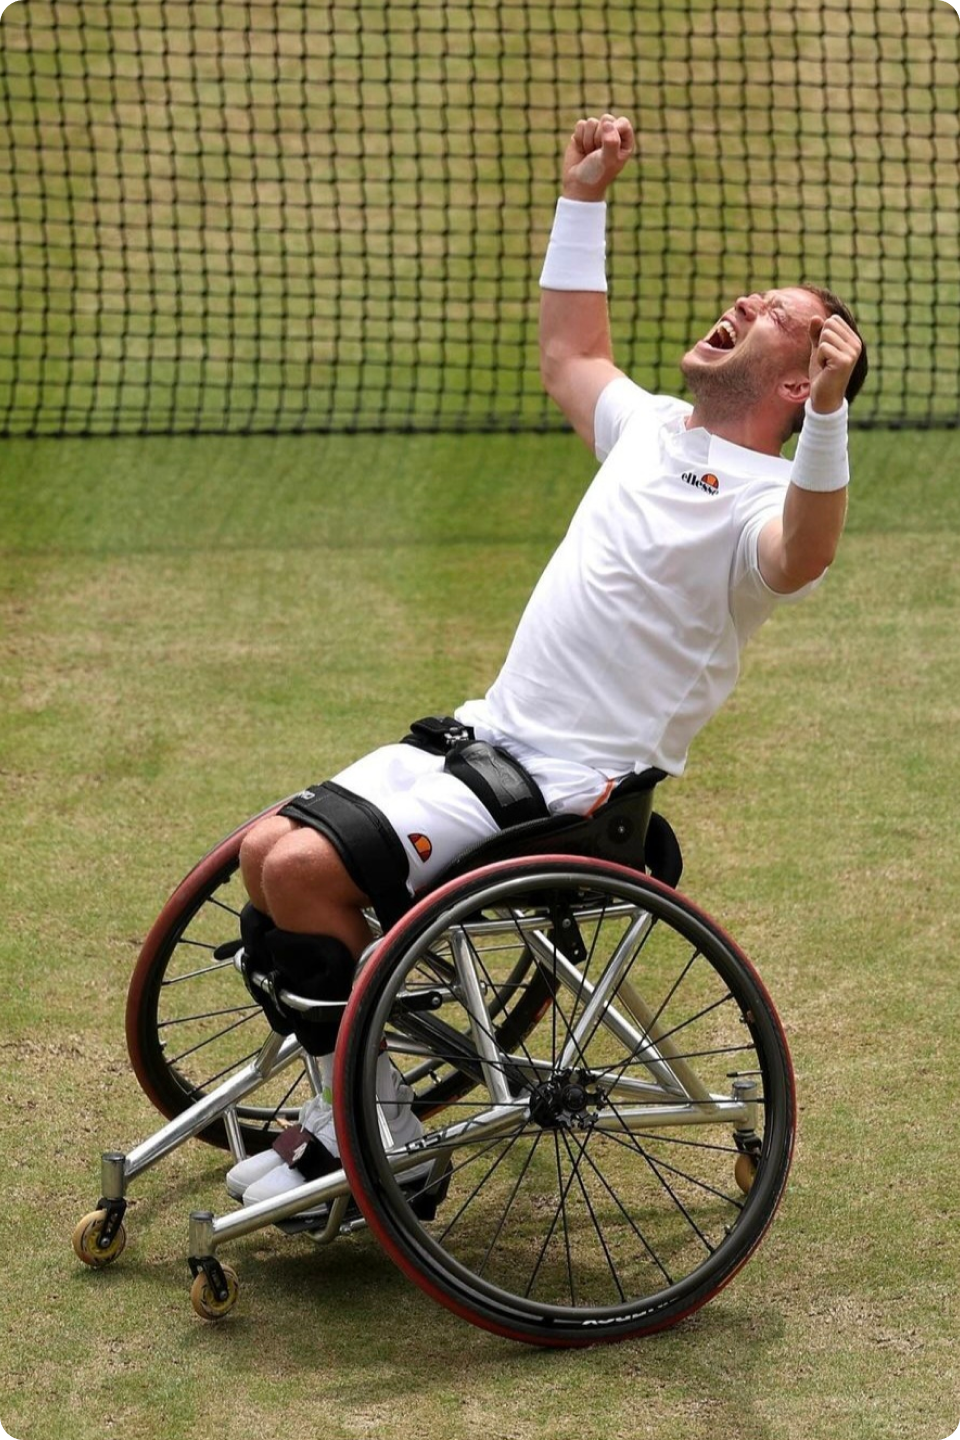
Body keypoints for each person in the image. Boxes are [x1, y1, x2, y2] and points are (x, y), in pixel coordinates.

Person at [225, 113, 867, 1204]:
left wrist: (831, 428)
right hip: (483, 740)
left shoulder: (771, 502)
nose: (749, 304)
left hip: (571, 790)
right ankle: (366, 1094)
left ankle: (373, 1134)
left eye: (778, 316)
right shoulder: (653, 428)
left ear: (801, 383)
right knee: (262, 852)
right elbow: (573, 353)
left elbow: (803, 558)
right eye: (756, 296)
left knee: (294, 872)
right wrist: (583, 196)